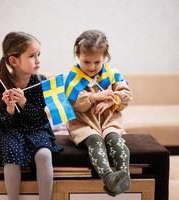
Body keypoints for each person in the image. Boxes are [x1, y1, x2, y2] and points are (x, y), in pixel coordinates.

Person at [0, 32, 62, 200]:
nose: (38, 60)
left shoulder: (41, 82)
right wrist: (10, 108)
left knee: (44, 154)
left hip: (36, 128)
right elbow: (5, 124)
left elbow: (40, 118)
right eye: (32, 56)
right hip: (13, 131)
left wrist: (23, 103)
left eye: (38, 55)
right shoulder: (1, 85)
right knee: (11, 157)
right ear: (14, 61)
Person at [66, 30, 132, 196]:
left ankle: (124, 177)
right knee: (95, 141)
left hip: (109, 121)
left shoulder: (113, 74)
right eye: (86, 62)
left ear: (105, 57)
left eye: (97, 62)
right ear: (77, 55)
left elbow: (127, 95)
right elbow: (77, 104)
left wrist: (113, 99)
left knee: (115, 140)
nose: (92, 67)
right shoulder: (73, 78)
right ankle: (109, 177)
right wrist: (95, 96)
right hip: (83, 123)